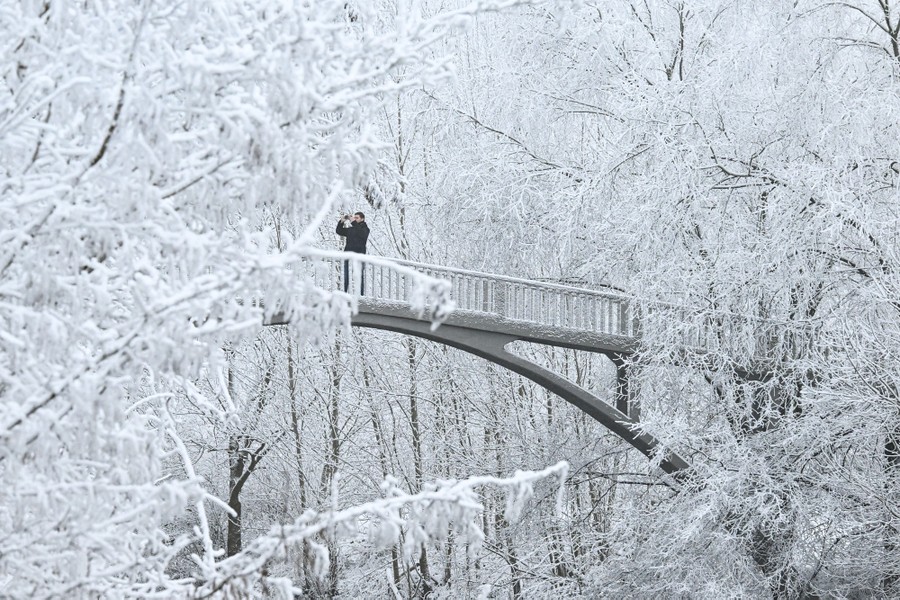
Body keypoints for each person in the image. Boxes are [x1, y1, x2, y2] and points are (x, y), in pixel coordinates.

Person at [336, 211, 369, 293]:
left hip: (359, 256)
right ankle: (344, 293)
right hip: (348, 255)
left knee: (359, 277)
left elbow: (361, 234)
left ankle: (361, 296)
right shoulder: (351, 230)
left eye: (357, 218)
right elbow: (339, 231)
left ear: (362, 219)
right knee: (345, 276)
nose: (355, 219)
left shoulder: (365, 229)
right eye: (354, 218)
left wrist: (353, 222)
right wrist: (342, 221)